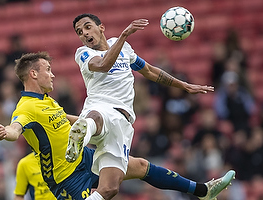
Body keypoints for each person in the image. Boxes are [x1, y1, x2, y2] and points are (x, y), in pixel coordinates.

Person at [0, 52, 235, 200]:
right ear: (33, 74)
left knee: (140, 166)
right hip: (66, 178)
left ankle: (203, 191)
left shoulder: (47, 101)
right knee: (109, 190)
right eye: (48, 70)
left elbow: (64, 120)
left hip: (85, 157)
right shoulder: (25, 108)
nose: (53, 75)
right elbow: (16, 128)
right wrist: (6, 132)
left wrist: (95, 123)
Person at [66, 13, 216, 200]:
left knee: (109, 188)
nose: (84, 34)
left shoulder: (124, 49)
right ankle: (80, 136)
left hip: (123, 123)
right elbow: (103, 65)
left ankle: (82, 132)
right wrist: (124, 35)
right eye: (79, 32)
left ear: (101, 27)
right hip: (101, 108)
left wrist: (183, 85)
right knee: (95, 118)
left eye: (88, 27)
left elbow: (150, 71)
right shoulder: (84, 53)